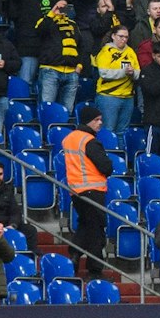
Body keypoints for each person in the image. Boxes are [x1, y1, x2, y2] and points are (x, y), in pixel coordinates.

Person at [59, 106, 113, 279]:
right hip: (93, 190)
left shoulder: (69, 139)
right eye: (97, 120)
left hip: (76, 191)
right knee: (96, 230)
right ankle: (95, 270)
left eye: (101, 119)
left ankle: (75, 253)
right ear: (88, 121)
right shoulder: (90, 141)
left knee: (85, 224)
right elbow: (106, 167)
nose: (100, 123)